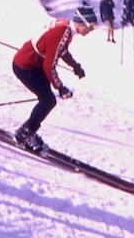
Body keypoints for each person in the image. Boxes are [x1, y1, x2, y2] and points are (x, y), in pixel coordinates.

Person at [11, 8, 94, 151]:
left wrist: (75, 66)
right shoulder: (63, 33)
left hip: (32, 64)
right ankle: (24, 134)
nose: (92, 30)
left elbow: (61, 50)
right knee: (48, 100)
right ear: (81, 24)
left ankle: (27, 131)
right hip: (25, 66)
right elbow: (49, 67)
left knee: (47, 100)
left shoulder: (65, 28)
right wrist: (61, 88)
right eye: (91, 26)